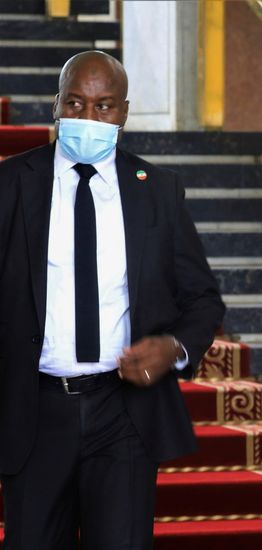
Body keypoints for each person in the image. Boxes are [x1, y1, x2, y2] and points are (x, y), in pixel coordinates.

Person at [0, 51, 225, 549]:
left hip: (122, 413)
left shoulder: (157, 191)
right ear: (56, 105)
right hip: (33, 411)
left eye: (103, 106)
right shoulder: (11, 183)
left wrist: (173, 346)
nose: (87, 118)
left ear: (123, 112)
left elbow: (203, 298)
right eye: (75, 103)